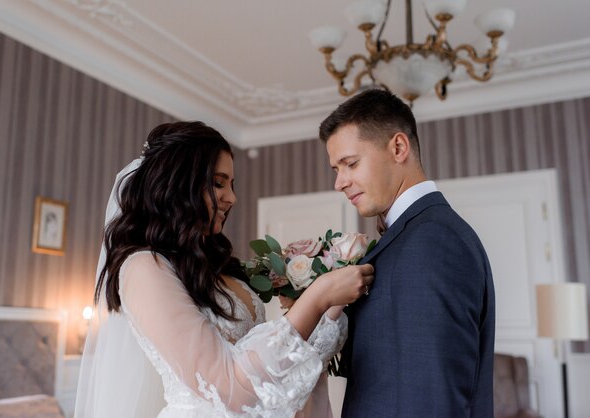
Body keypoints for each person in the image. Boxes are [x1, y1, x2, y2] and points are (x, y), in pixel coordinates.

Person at [75, 121, 374, 418]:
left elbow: (288, 367)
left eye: (231, 185)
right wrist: (317, 298)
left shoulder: (218, 266)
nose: (232, 197)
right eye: (218, 183)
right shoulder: (144, 268)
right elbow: (229, 388)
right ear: (178, 186)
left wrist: (332, 304)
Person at [319, 89, 495, 417]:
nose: (339, 182)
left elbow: (432, 392)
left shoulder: (431, 241)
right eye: (336, 169)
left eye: (351, 164)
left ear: (398, 147)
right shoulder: (414, 235)